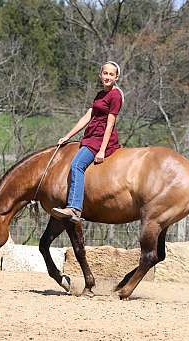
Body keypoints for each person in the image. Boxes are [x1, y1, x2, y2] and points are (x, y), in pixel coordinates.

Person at [51, 61, 124, 223]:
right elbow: (87, 117)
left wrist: (102, 150)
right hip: (90, 137)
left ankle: (74, 208)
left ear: (116, 77)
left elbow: (110, 124)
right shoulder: (100, 95)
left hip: (99, 140)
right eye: (105, 73)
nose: (107, 77)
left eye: (111, 74)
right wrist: (67, 136)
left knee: (76, 164)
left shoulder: (115, 95)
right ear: (100, 75)